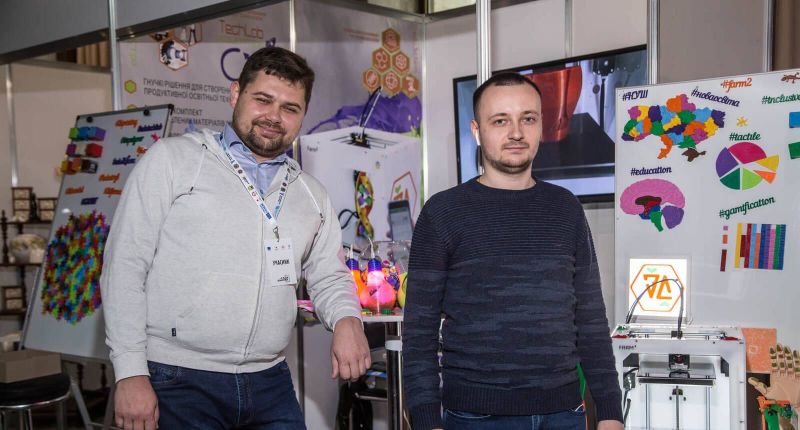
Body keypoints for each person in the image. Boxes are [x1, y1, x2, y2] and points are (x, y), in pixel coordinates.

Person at [103, 47, 371, 430]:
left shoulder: (310, 194)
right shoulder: (173, 161)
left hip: (270, 381)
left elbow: (329, 274)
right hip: (178, 379)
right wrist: (130, 372)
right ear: (235, 94)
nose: (274, 116)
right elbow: (125, 267)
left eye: (290, 108)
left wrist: (347, 319)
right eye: (263, 99)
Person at [403, 72, 623, 430]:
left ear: (541, 127)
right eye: (500, 120)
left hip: (564, 413)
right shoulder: (442, 213)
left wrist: (611, 412)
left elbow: (590, 320)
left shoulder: (566, 208)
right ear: (477, 131)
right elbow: (418, 333)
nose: (516, 132)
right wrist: (427, 420)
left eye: (528, 119)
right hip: (476, 417)